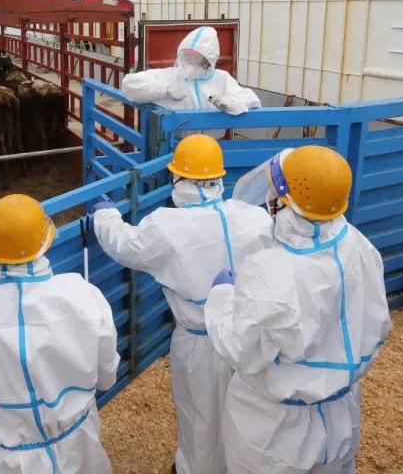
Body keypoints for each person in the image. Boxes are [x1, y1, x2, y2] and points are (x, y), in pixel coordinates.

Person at [91, 135, 273, 474]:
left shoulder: (167, 225)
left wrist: (106, 218)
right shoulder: (254, 217)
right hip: (248, 336)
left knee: (199, 418)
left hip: (199, 341)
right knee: (246, 414)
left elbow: (126, 245)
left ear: (178, 178)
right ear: (219, 176)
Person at [205, 145, 392, 474]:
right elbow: (376, 323)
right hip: (341, 412)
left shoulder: (268, 269)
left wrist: (221, 297)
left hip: (275, 428)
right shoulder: (359, 244)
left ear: (284, 201)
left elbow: (240, 351)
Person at [0, 193, 119, 473]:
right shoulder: (81, 294)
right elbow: (107, 376)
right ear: (46, 241)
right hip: (79, 444)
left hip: (12, 460)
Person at [120, 26, 261, 139]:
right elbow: (129, 85)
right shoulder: (170, 75)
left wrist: (231, 103)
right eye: (187, 56)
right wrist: (164, 88)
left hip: (211, 148)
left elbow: (252, 99)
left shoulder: (221, 79)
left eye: (197, 59)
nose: (191, 62)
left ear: (209, 61)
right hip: (174, 148)